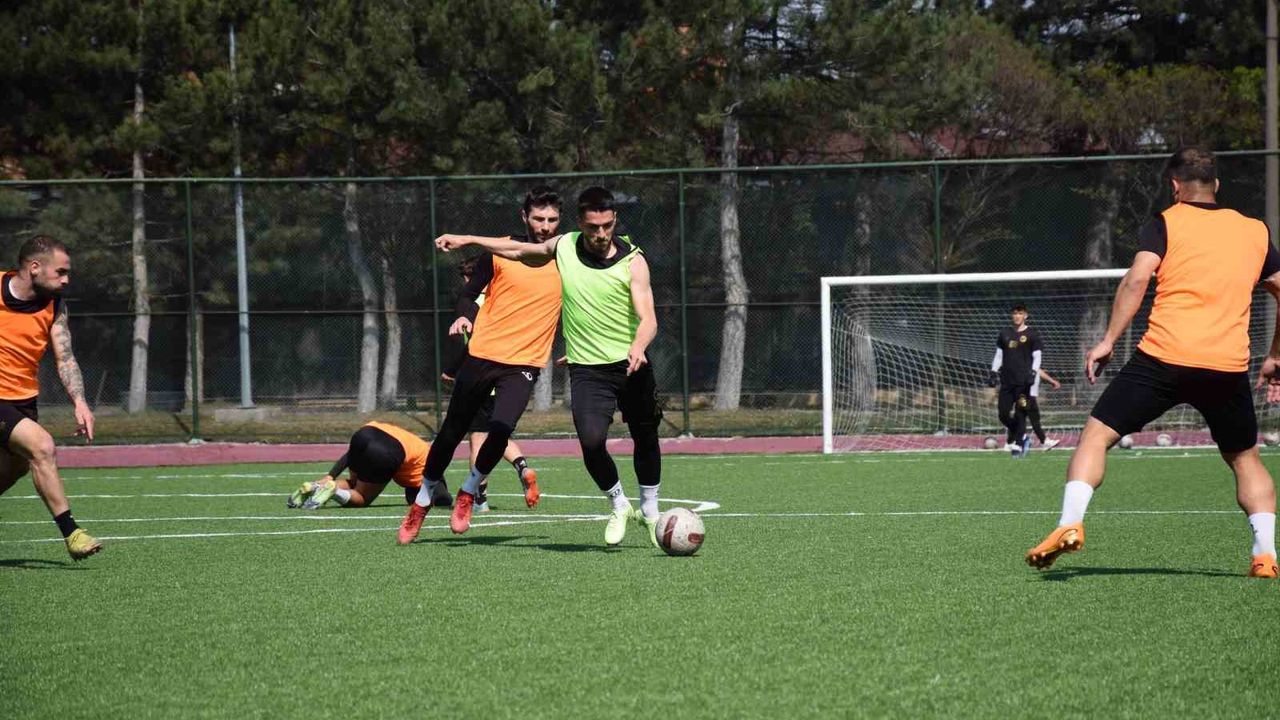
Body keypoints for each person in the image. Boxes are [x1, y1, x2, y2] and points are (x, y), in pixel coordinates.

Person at [1026, 147, 1280, 578]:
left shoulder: (1166, 222)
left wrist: (1108, 340)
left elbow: (1138, 278)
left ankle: (1070, 522)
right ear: (1217, 185)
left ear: (1175, 186)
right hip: (1226, 366)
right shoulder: (1254, 230)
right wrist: (1274, 355)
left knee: (1095, 436)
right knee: (1245, 459)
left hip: (1163, 358)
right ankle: (1265, 556)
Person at [435, 186, 662, 548]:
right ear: (580, 224)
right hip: (588, 368)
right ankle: (619, 503)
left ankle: (650, 510)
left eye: (607, 226)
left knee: (646, 437)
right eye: (593, 227)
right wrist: (467, 240)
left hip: (632, 365)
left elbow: (648, 317)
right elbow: (516, 249)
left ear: (615, 220)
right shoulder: (564, 247)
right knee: (591, 443)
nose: (601, 234)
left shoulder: (633, 261)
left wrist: (638, 346)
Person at [396, 187, 562, 544]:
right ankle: (422, 500)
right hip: (484, 353)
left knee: (501, 429)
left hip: (524, 362)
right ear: (524, 217)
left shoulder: (566, 257)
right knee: (452, 431)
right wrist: (464, 316)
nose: (545, 226)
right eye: (538, 218)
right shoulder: (498, 251)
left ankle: (469, 491)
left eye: (552, 219)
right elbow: (469, 294)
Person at [0, 235, 100, 559]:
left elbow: (65, 358)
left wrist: (80, 402)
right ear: (34, 267)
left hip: (23, 400)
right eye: (60, 272)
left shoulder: (55, 305)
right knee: (42, 446)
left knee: (15, 467)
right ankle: (72, 533)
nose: (66, 280)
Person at [445, 257, 541, 513]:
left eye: (468, 279)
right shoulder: (505, 298)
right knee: (499, 435)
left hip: (482, 380)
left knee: (477, 439)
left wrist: (451, 370)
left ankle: (480, 500)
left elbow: (472, 346)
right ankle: (523, 467)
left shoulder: (476, 304)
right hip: (509, 381)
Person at [287, 421, 441, 509]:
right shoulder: (427, 468)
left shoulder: (419, 447)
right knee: (362, 497)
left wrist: (330, 475)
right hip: (389, 449)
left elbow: (349, 455)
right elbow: (439, 496)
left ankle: (315, 486)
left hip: (366, 432)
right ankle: (334, 491)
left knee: (355, 482)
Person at [988, 302, 1043, 458]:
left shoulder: (1032, 334)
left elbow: (1037, 356)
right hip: (1007, 382)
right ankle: (1020, 434)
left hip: (1024, 384)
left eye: (1020, 313)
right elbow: (999, 355)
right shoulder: (1005, 333)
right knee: (1003, 414)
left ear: (1025, 315)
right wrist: (993, 372)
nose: (1017, 316)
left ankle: (1019, 444)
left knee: (1021, 413)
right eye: (1015, 313)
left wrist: (1033, 372)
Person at [1027, 368, 1062, 451]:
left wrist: (1051, 381)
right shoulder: (1025, 361)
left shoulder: (1031, 362)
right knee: (1025, 415)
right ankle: (1013, 441)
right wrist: (1052, 381)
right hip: (1024, 394)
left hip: (1029, 394)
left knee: (1033, 417)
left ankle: (1044, 441)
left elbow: (1038, 370)